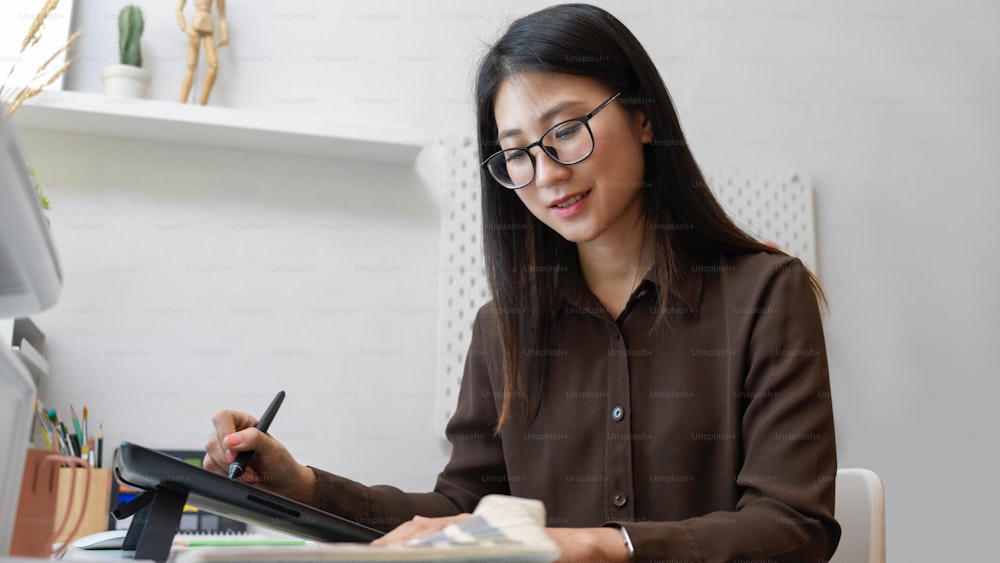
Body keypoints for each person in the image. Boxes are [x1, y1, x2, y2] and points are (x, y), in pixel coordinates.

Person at [203, 4, 840, 561]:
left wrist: (598, 543)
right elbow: (462, 507)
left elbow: (792, 529)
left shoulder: (765, 295)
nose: (546, 174)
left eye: (566, 131)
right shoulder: (502, 329)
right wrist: (305, 486)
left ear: (643, 115)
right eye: (517, 153)